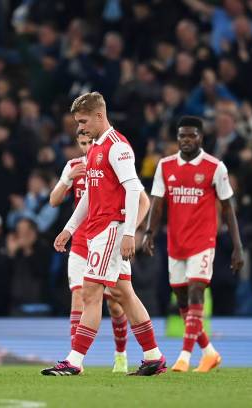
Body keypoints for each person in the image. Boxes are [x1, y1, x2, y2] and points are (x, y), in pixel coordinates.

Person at [42, 92, 163, 376]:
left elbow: (134, 189)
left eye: (83, 121)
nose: (80, 127)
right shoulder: (95, 148)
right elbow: (89, 197)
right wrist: (69, 229)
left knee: (91, 293)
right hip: (98, 230)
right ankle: (153, 356)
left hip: (111, 230)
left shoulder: (117, 147)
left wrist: (130, 232)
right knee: (124, 293)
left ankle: (74, 360)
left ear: (99, 115)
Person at [142, 116, 244, 372]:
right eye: (182, 136)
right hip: (176, 241)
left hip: (203, 240)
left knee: (197, 291)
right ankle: (209, 352)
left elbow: (228, 208)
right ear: (177, 138)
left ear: (201, 137)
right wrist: (149, 232)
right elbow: (157, 203)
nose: (187, 140)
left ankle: (185, 357)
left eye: (192, 135)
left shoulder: (214, 167)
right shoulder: (165, 166)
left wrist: (237, 246)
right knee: (182, 299)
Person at [50, 131, 135, 373]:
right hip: (80, 243)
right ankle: (75, 358)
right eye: (83, 143)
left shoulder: (109, 160)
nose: (87, 148)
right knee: (79, 297)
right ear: (78, 143)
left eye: (90, 143)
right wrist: (68, 180)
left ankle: (120, 354)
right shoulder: (73, 166)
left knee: (116, 304)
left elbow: (135, 194)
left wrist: (130, 230)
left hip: (108, 239)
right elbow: (53, 200)